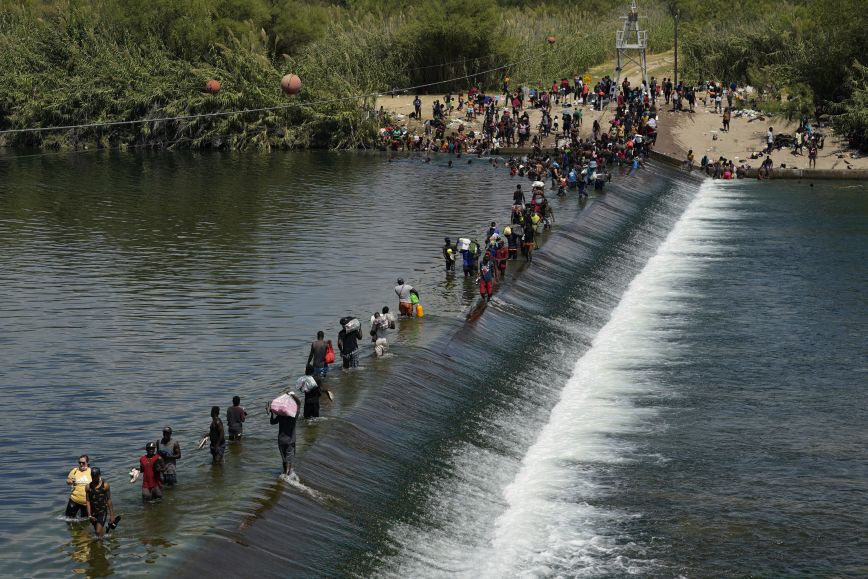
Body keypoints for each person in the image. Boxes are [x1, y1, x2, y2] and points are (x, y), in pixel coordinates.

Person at [269, 392, 301, 476]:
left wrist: (271, 413)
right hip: (290, 440)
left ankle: (284, 472)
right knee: (289, 458)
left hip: (281, 440)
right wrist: (293, 395)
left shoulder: (280, 416)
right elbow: (299, 403)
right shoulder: (294, 416)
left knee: (284, 459)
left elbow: (272, 422)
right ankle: (289, 474)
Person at [85, 468, 117, 539]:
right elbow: (88, 501)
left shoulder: (105, 486)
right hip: (93, 513)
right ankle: (101, 544)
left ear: (99, 475)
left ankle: (99, 547)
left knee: (98, 532)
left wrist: (112, 515)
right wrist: (89, 515)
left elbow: (109, 500)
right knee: (98, 533)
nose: (94, 478)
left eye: (95, 476)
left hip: (102, 511)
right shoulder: (88, 487)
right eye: (92, 476)